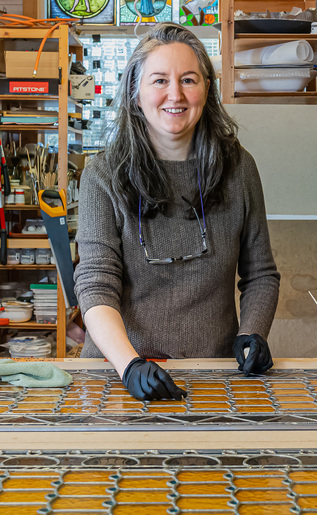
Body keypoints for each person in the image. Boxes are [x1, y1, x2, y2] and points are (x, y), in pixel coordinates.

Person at [74, 22, 280, 401]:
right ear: (135, 93)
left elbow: (261, 274)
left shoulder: (238, 168)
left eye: (189, 79)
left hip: (214, 374)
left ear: (206, 89)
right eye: (159, 80)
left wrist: (253, 332)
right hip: (119, 374)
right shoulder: (102, 176)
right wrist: (130, 365)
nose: (175, 94)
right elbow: (95, 286)